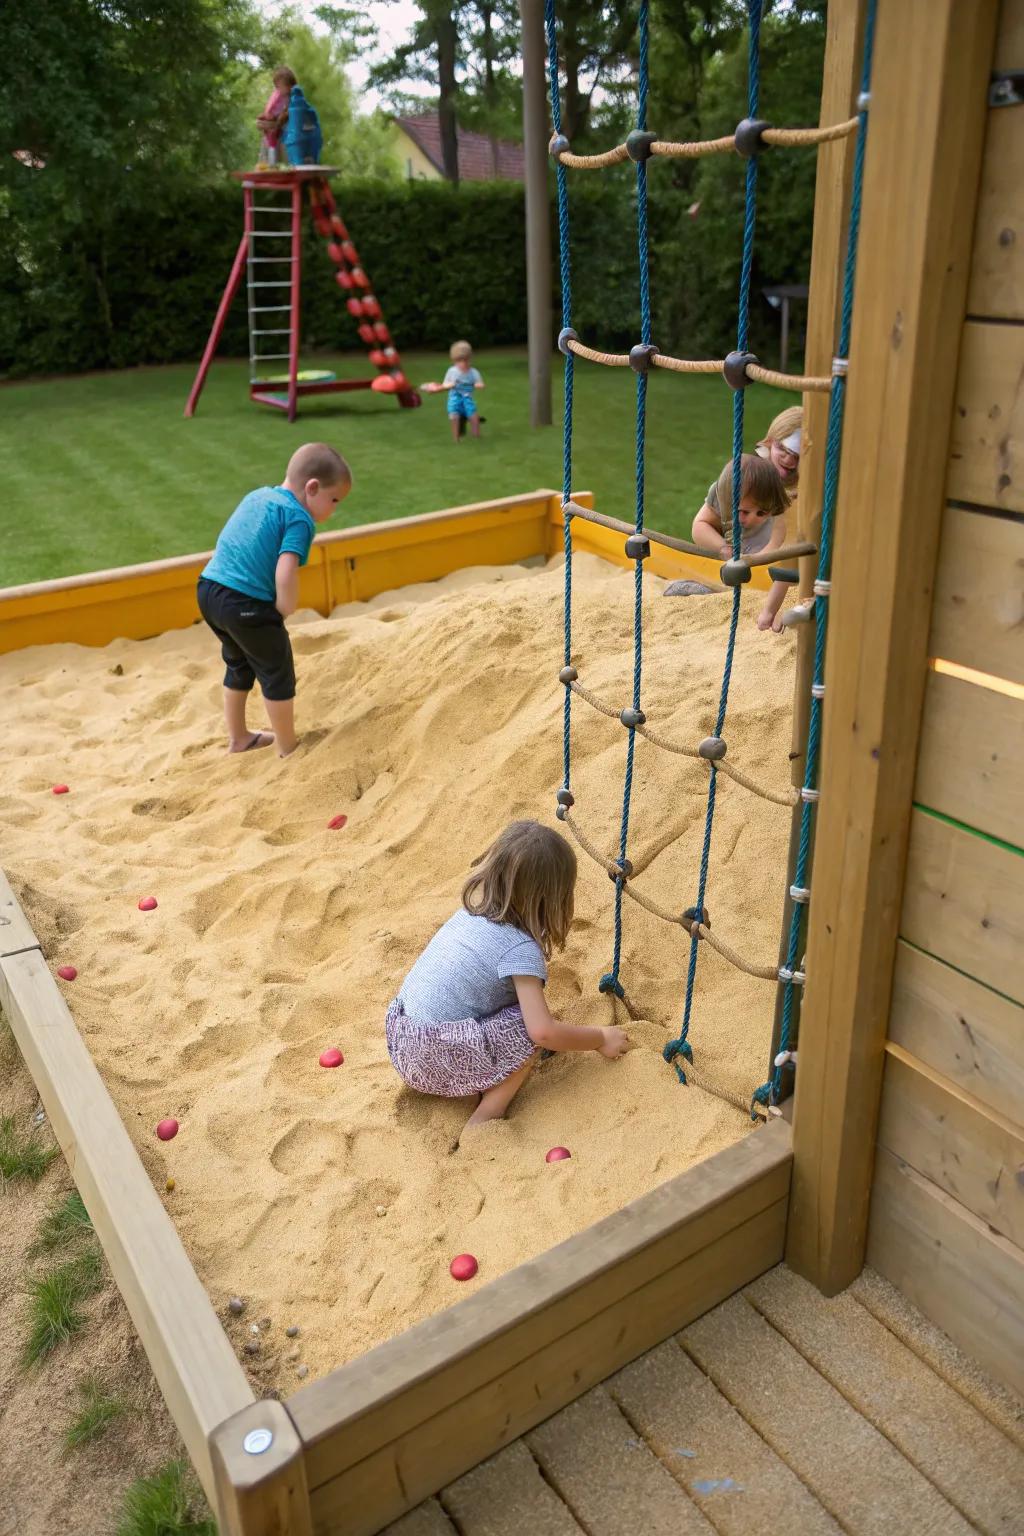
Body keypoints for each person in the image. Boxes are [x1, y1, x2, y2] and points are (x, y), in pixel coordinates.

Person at [386, 821, 629, 1133]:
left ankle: (476, 1074)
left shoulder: (468, 912)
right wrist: (600, 1038)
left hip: (402, 1042)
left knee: (510, 1008)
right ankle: (487, 1114)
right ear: (555, 898)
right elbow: (542, 1032)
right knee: (527, 1029)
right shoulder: (519, 949)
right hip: (433, 1058)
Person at [196, 443, 352, 758]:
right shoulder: (298, 518)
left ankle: (239, 738)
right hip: (246, 603)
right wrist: (283, 608)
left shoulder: (256, 496)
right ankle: (287, 747)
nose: (333, 509)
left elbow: (230, 540)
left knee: (238, 663)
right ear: (312, 488)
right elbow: (285, 572)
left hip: (209, 589)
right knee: (277, 670)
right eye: (333, 500)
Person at [665, 452, 790, 618]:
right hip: (726, 557)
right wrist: (722, 547)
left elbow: (777, 541)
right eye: (743, 511)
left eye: (762, 513)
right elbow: (699, 527)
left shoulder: (774, 501)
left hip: (759, 559)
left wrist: (759, 560)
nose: (751, 519)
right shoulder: (720, 496)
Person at [421, 341, 485, 442]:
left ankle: (476, 436)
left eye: (466, 360)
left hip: (467, 398)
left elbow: (481, 385)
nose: (463, 363)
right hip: (454, 399)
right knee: (454, 417)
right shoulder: (452, 371)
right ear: (454, 360)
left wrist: (473, 385)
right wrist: (444, 386)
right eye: (459, 361)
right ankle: (456, 439)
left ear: (470, 358)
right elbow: (445, 384)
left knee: (474, 417)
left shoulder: (473, 372)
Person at [256, 67, 297, 169]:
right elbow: (270, 114)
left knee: (287, 163)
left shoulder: (295, 99)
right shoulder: (277, 97)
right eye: (276, 86)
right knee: (268, 159)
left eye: (280, 86)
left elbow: (285, 117)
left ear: (289, 85)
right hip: (273, 137)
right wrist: (265, 120)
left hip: (287, 138)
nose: (278, 89)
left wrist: (277, 122)